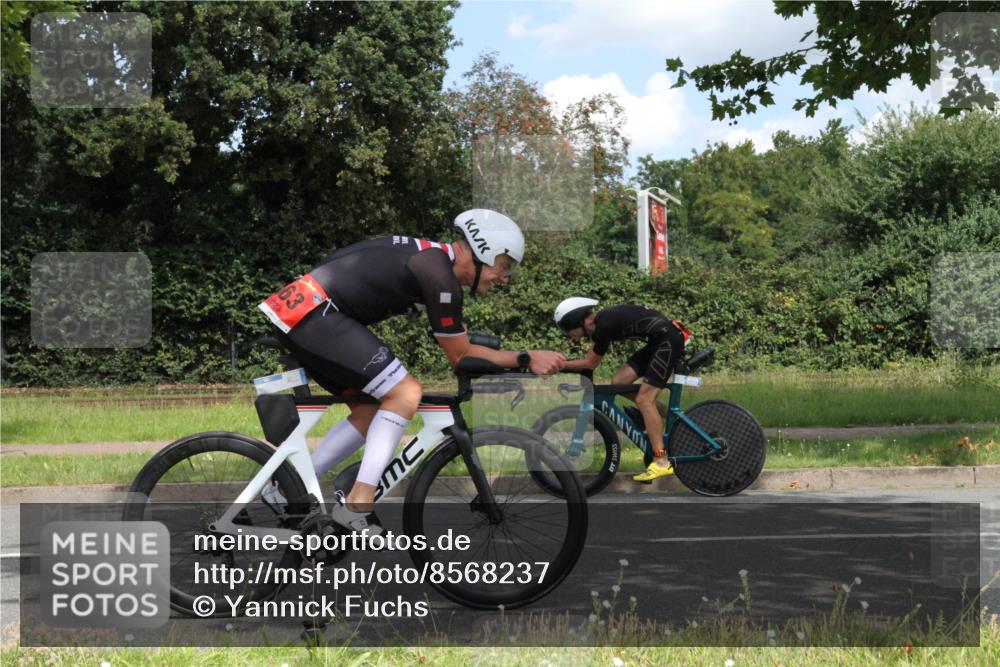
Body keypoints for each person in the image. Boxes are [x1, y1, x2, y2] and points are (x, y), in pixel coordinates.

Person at [258, 209, 565, 534]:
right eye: (504, 267)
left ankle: (286, 489)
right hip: (317, 315)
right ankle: (358, 503)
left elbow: (459, 341)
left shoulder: (433, 263)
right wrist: (525, 357)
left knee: (370, 411)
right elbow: (460, 355)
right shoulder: (438, 275)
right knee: (405, 393)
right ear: (483, 252)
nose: (504, 278)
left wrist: (511, 358)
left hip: (309, 313)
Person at [553, 298, 690, 482]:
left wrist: (559, 365)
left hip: (667, 341)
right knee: (618, 382)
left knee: (644, 400)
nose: (568, 334)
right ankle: (677, 420)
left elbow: (590, 363)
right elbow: (589, 360)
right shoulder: (602, 323)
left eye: (567, 329)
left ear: (577, 321)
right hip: (660, 341)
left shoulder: (604, 324)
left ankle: (661, 460)